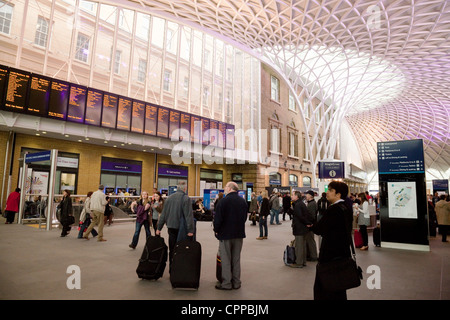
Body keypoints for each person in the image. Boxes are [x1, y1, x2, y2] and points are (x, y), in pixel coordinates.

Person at [312, 181, 353, 300]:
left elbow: (320, 229)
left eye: (330, 190)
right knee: (339, 285)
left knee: (325, 286)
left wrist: (312, 225)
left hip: (330, 255)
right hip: (342, 253)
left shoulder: (333, 209)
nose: (327, 192)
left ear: (338, 194)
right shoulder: (346, 208)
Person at [213, 181, 247, 290]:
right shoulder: (243, 202)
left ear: (230, 188)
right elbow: (244, 218)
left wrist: (216, 230)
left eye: (225, 186)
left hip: (225, 235)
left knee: (226, 259)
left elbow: (218, 219)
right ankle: (236, 282)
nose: (224, 188)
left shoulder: (223, 201)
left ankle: (226, 283)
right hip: (239, 234)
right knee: (236, 259)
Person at [156, 181, 194, 271]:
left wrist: (158, 228)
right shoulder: (186, 198)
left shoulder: (169, 198)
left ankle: (171, 269)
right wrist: (190, 230)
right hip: (181, 229)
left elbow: (164, 214)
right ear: (185, 188)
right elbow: (188, 216)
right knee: (181, 249)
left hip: (171, 227)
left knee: (172, 248)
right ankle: (179, 269)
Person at [290, 190, 314, 268]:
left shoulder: (298, 205)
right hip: (303, 229)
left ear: (296, 196)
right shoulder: (301, 204)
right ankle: (303, 261)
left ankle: (299, 262)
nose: (291, 196)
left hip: (299, 228)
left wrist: (308, 223)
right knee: (303, 245)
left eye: (293, 195)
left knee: (299, 246)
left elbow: (300, 217)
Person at [305, 190, 318, 261]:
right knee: (309, 240)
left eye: (307, 194)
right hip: (310, 224)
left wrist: (309, 224)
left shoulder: (312, 204)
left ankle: (313, 256)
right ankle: (310, 255)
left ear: (310, 196)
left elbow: (312, 216)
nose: (306, 195)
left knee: (310, 241)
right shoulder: (311, 203)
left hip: (310, 225)